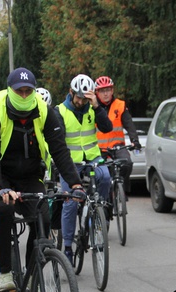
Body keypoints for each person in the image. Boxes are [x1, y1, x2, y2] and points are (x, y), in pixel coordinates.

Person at [0, 68, 85, 292]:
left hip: (29, 174)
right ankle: (4, 272)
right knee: (4, 209)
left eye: (28, 91)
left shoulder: (44, 110)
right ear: (10, 90)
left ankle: (30, 270)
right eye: (19, 91)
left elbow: (59, 150)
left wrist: (75, 183)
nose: (24, 96)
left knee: (41, 215)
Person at [56, 74, 113, 261]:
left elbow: (107, 128)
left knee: (105, 177)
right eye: (79, 97)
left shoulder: (92, 108)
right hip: (70, 162)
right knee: (71, 202)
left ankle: (98, 212)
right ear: (71, 93)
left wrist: (96, 106)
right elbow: (58, 143)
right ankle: (67, 247)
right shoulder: (60, 111)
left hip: (92, 157)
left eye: (85, 98)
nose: (82, 101)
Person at [94, 75, 141, 196]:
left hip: (117, 146)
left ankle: (121, 188)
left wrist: (134, 140)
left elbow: (129, 125)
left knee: (127, 163)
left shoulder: (120, 105)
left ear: (112, 90)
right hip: (99, 149)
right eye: (102, 91)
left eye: (108, 90)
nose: (106, 94)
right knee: (98, 174)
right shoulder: (92, 108)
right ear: (97, 92)